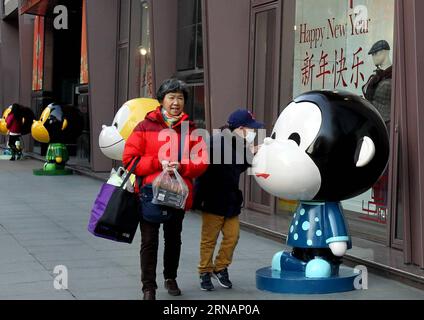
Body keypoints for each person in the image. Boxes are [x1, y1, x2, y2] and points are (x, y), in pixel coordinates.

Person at [122, 78, 208, 300]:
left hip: (177, 193)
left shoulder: (191, 129)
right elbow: (129, 159)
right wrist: (156, 162)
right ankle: (148, 287)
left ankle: (170, 277)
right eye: (171, 97)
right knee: (149, 241)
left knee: (173, 238)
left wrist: (183, 166)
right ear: (161, 101)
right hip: (150, 192)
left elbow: (202, 161)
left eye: (180, 98)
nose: (176, 102)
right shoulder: (144, 126)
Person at [193, 109, 264, 291]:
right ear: (241, 128)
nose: (253, 133)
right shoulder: (215, 143)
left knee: (232, 237)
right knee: (209, 239)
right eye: (251, 129)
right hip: (213, 200)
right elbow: (201, 173)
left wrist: (252, 152)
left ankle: (221, 267)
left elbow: (237, 167)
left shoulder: (237, 143)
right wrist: (196, 200)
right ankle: (205, 271)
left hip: (231, 201)